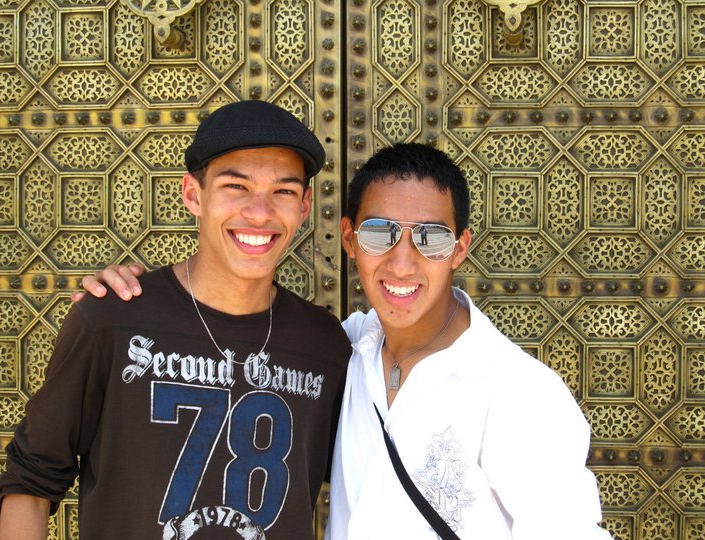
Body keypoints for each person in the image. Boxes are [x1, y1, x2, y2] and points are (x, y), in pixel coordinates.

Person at [74, 143, 612, 539]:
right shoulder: (340, 351)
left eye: (430, 237)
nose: (402, 262)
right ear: (351, 240)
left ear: (460, 248)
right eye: (380, 233)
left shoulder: (519, 391)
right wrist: (140, 299)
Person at [0, 100, 352, 539]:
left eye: (283, 191)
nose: (260, 213)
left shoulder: (324, 345)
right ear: (192, 194)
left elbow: (365, 481)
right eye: (236, 187)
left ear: (303, 207)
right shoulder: (111, 319)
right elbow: (31, 482)